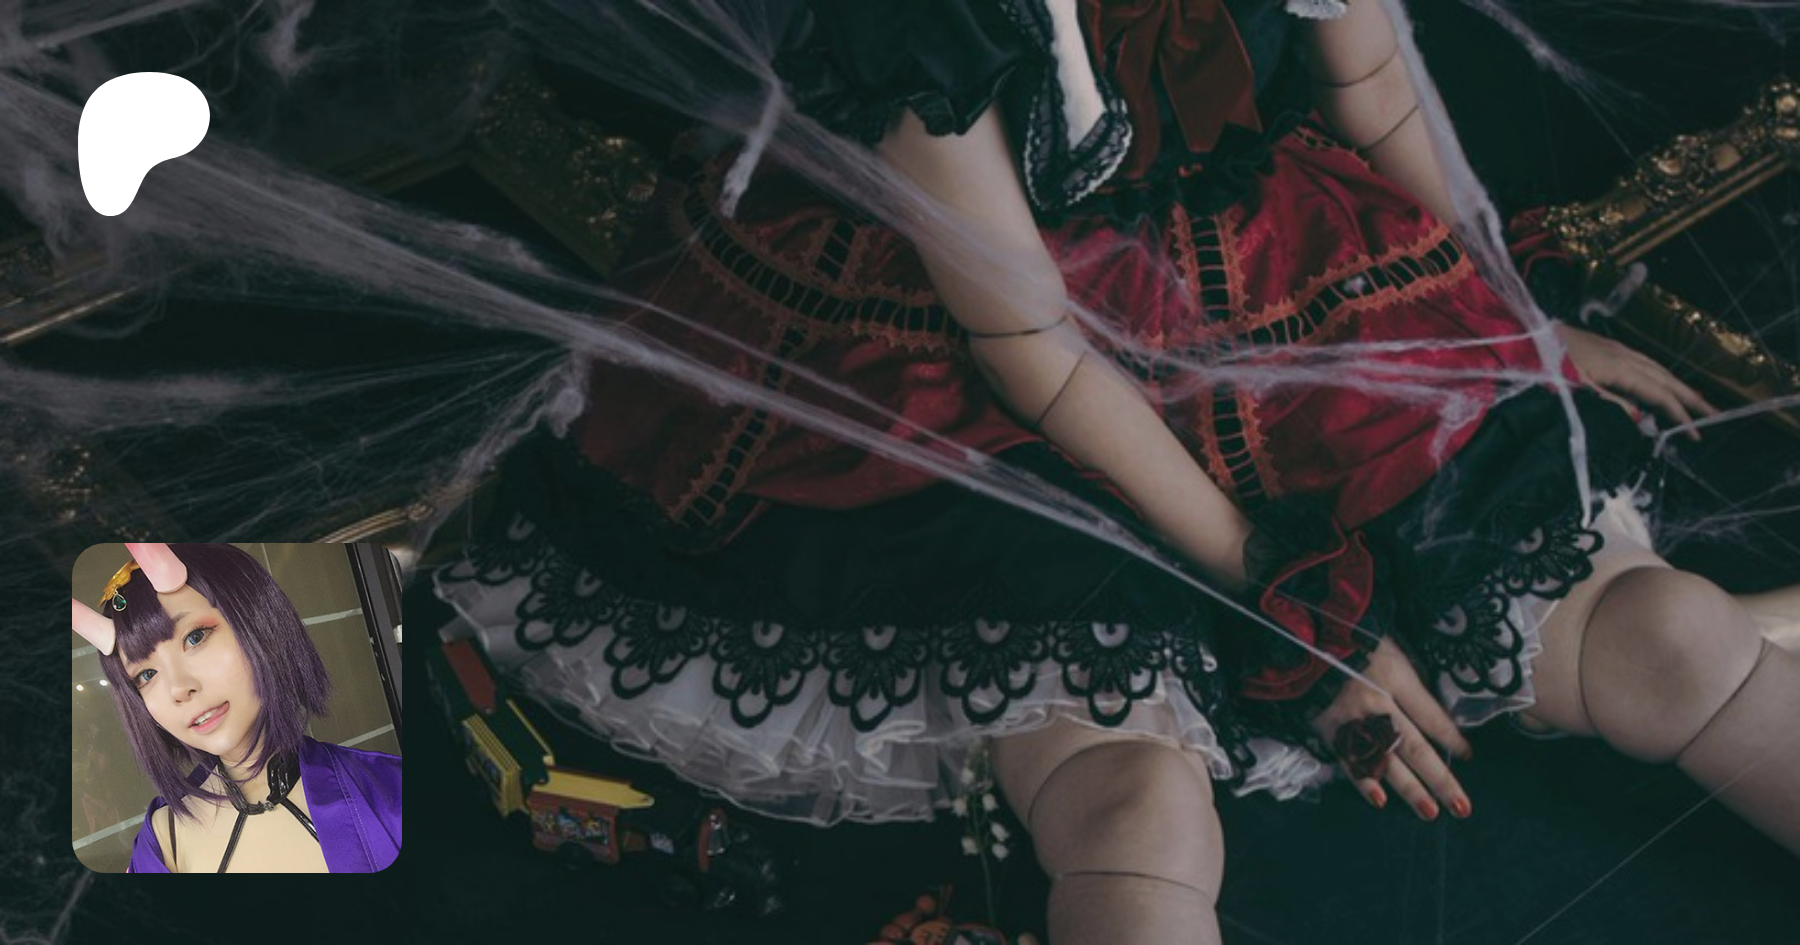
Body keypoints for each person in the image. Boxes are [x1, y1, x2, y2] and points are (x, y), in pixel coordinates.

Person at [432, 0, 1800, 939]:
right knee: (1134, 807)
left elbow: (1376, 91)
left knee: (1671, 637)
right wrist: (1292, 606)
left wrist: (1508, 314)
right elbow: (1035, 352)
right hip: (953, 362)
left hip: (1273, 279)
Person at [73, 543, 402, 873]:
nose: (178, 688)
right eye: (146, 675)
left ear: (261, 625)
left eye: (195, 637)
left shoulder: (391, 795)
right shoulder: (161, 844)